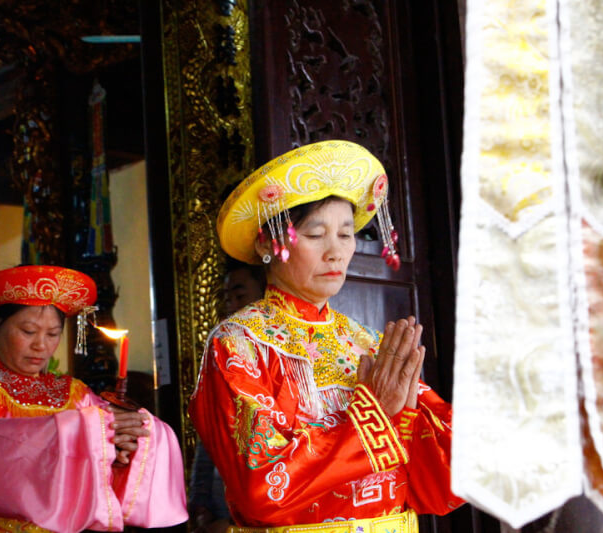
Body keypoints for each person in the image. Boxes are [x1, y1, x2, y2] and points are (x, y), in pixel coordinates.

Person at [189, 140, 464, 530]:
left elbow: (444, 474)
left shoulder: (366, 343)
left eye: (346, 235)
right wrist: (373, 419)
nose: (335, 252)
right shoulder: (239, 346)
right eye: (316, 235)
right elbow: (262, 488)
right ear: (269, 243)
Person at [0, 265, 188, 532]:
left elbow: (109, 427)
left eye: (53, 334)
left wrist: (128, 436)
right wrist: (81, 432)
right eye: (28, 331)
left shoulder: (73, 392)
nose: (41, 345)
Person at [189, 259, 266, 532]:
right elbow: (208, 437)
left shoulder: (279, 357)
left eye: (240, 295)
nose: (232, 304)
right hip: (218, 505)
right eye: (227, 297)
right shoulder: (225, 351)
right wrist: (200, 506)